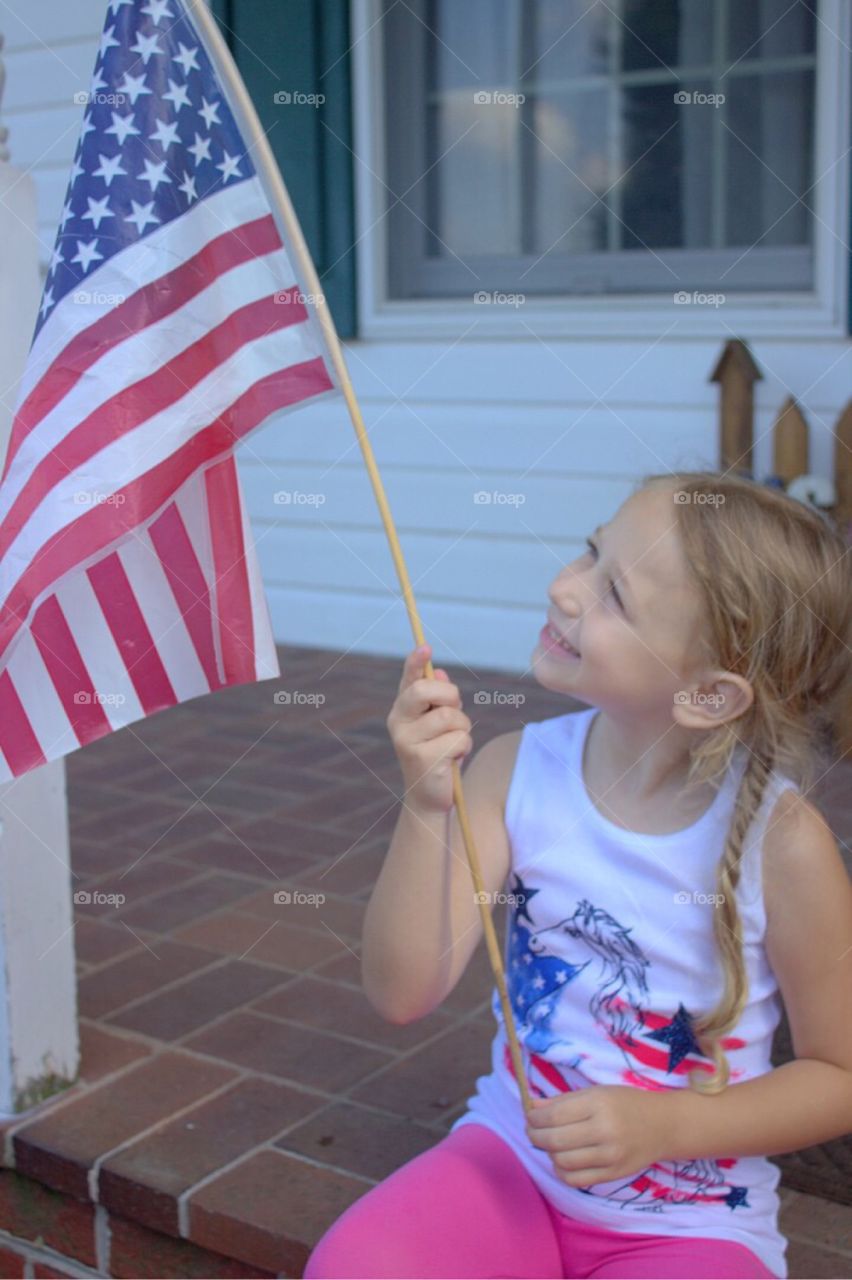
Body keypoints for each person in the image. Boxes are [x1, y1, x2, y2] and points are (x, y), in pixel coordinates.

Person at [304, 470, 852, 1280]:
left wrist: (664, 1128)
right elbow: (402, 990)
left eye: (615, 596)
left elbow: (837, 1076)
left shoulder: (787, 846)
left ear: (707, 694)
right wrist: (428, 806)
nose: (566, 588)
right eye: (592, 552)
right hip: (512, 1169)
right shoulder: (511, 771)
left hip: (692, 1226)